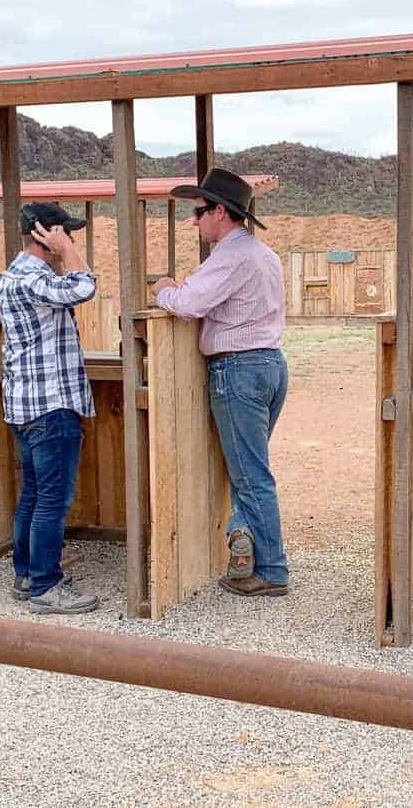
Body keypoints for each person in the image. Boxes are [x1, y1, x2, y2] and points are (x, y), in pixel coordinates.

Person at [151, 168, 290, 597]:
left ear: (219, 213)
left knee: (250, 476)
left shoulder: (231, 256)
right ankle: (244, 538)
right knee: (249, 469)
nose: (195, 221)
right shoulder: (263, 254)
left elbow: (189, 304)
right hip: (268, 364)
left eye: (199, 212)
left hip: (238, 369)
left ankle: (272, 570)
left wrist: (164, 290)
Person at [0, 201, 100, 615]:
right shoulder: (33, 279)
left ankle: (28, 575)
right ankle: (45, 585)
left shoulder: (15, 276)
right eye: (65, 232)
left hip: (28, 406)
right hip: (50, 407)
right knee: (51, 501)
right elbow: (85, 286)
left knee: (35, 496)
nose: (71, 239)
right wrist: (68, 252)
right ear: (45, 234)